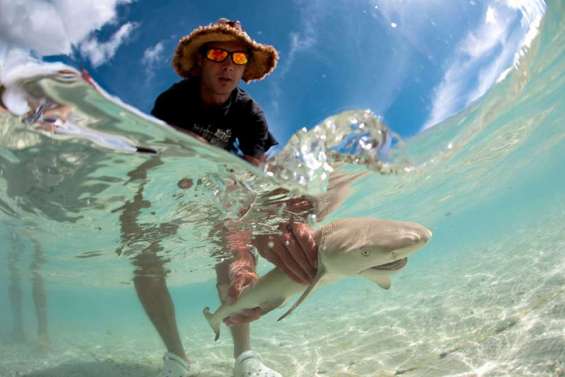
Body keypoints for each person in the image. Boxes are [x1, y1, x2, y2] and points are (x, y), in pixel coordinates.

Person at [137, 19, 318, 377]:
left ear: (245, 68)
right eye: (219, 53)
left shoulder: (251, 115)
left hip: (224, 188)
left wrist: (243, 257)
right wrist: (189, 146)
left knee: (233, 246)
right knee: (144, 255)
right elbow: (146, 155)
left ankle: (245, 359)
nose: (227, 64)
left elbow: (249, 181)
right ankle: (176, 357)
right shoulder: (172, 101)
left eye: (237, 58)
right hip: (164, 180)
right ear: (201, 61)